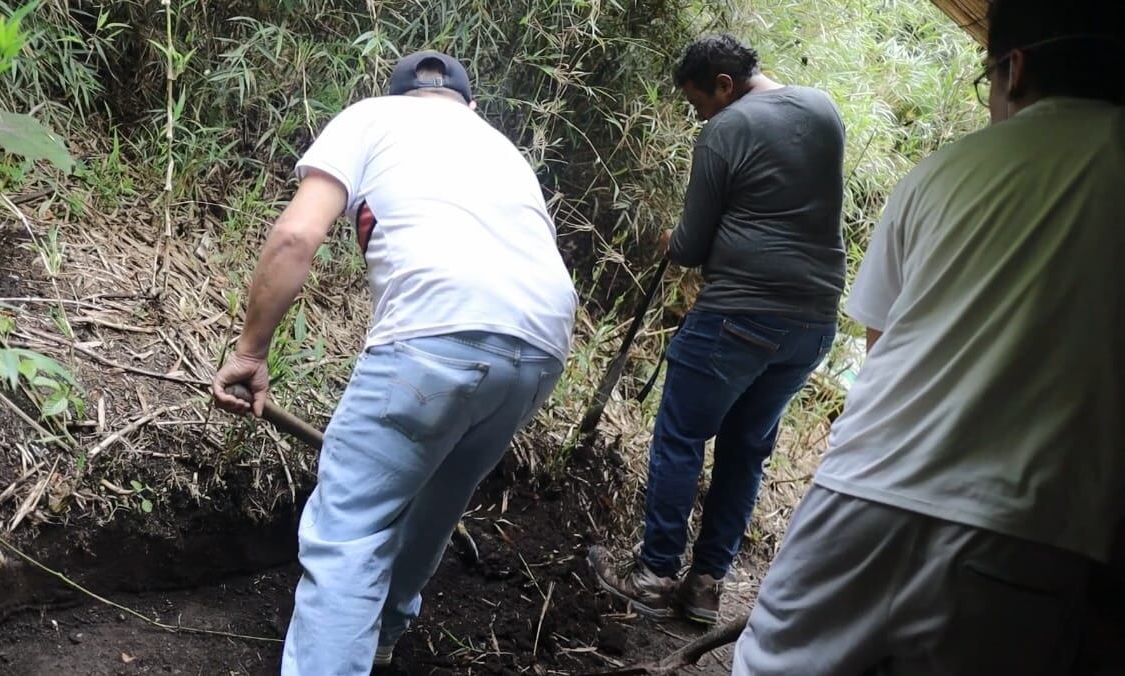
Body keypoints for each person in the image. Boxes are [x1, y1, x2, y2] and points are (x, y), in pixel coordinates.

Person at [733, 0, 1125, 673]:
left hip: (859, 492)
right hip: (1023, 534)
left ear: (1016, 68)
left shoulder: (946, 169)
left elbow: (879, 342)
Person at [211, 51, 577, 675]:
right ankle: (380, 638)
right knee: (437, 503)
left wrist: (249, 351)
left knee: (349, 531)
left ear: (399, 94)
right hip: (541, 347)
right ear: (469, 105)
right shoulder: (502, 148)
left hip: (434, 336)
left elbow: (297, 236)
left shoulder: (371, 118)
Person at [589, 34, 846, 624]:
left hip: (738, 313)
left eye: (698, 101)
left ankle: (654, 576)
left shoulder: (726, 129)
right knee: (746, 449)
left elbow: (693, 244)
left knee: (681, 435)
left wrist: (669, 243)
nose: (699, 114)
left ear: (722, 85)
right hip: (812, 321)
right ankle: (705, 585)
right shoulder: (823, 109)